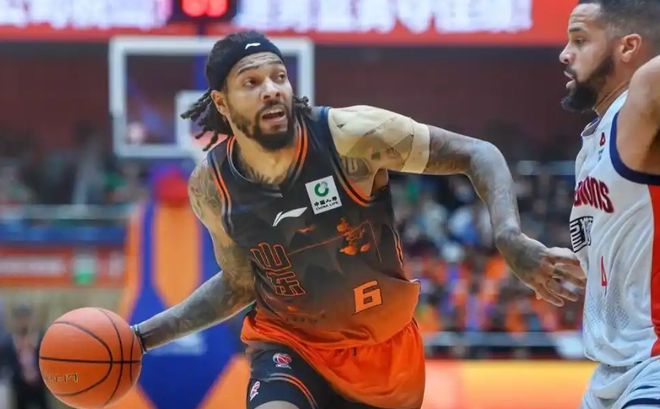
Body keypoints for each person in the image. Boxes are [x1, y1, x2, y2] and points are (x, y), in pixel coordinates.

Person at [132, 31, 585, 409]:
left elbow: (476, 153)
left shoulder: (351, 137)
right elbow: (239, 284)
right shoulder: (211, 187)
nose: (271, 89)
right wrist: (143, 338)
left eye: (279, 76)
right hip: (290, 344)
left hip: (385, 355)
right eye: (251, 82)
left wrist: (508, 235)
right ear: (222, 103)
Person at [559, 1, 660, 408]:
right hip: (608, 375)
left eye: (580, 40)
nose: (564, 54)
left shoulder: (643, 95)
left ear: (628, 46)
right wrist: (586, 263)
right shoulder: (594, 140)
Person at [0, 305, 50, 409]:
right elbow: (6, 363)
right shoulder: (8, 340)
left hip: (39, 383)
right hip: (19, 385)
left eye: (26, 317)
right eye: (20, 318)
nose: (23, 321)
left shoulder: (41, 337)